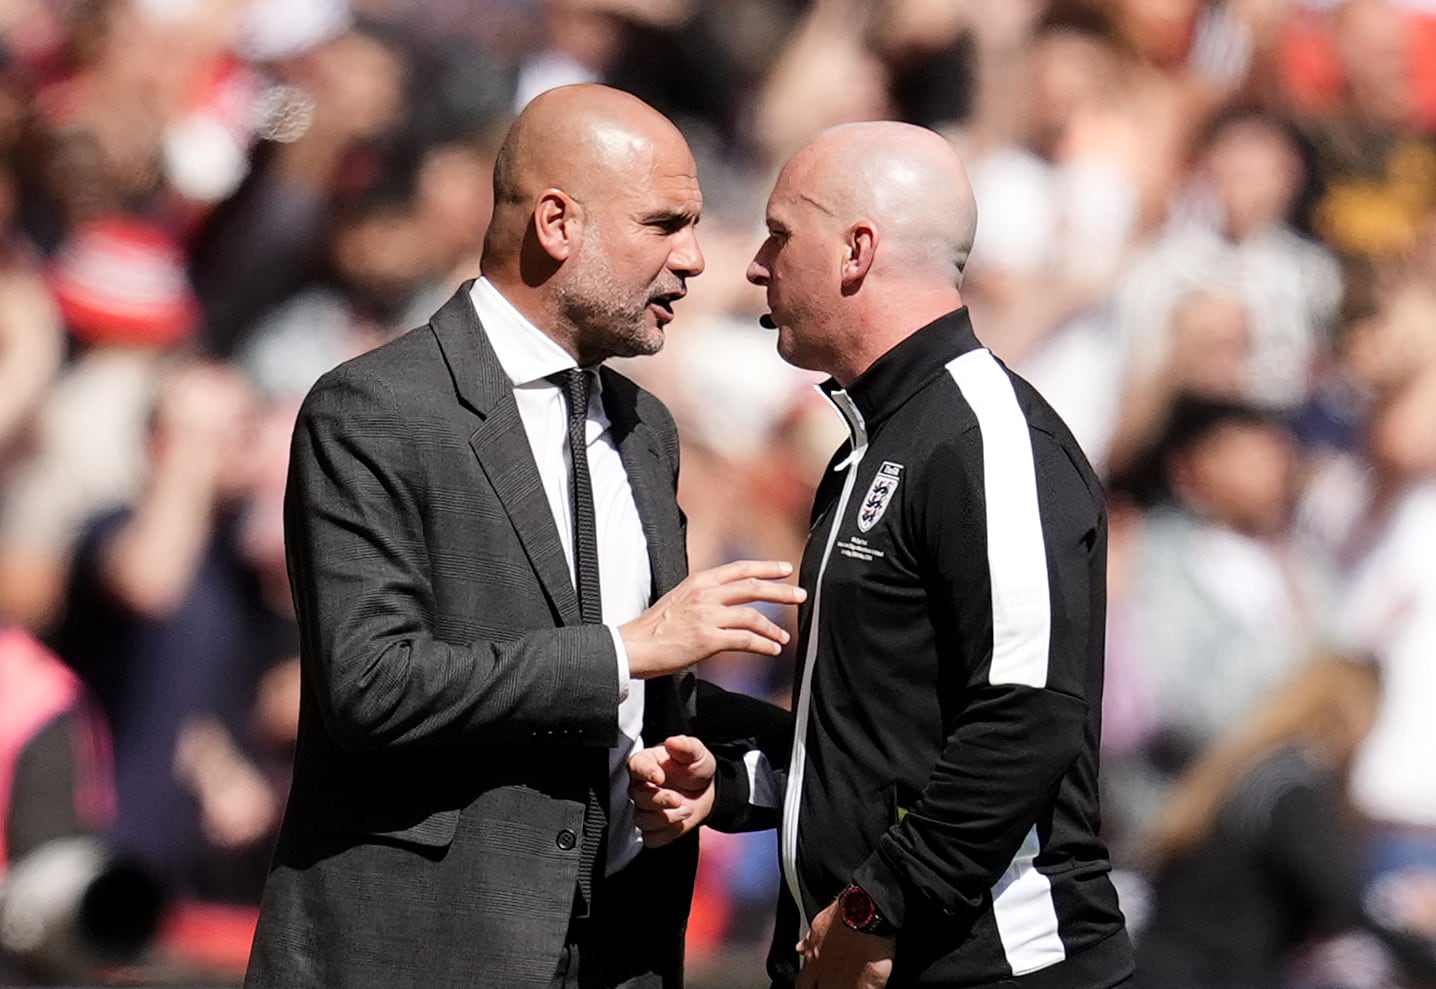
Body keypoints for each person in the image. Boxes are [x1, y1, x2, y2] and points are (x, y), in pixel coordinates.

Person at [244, 83, 806, 989]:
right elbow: (370, 684)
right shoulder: (375, 410)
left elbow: (631, 690)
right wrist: (628, 650)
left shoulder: (645, 427)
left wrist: (707, 762)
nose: (696, 259)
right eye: (666, 223)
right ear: (557, 223)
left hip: (620, 946)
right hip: (420, 953)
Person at [630, 122, 1133, 988]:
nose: (754, 264)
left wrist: (878, 905)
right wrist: (745, 784)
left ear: (857, 251)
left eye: (781, 234)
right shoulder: (873, 441)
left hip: (999, 967)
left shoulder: (987, 436)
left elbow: (1027, 716)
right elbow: (882, 736)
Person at [1136, 655, 1436, 989]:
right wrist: (1421, 955)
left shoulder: (1253, 768)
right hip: (1209, 974)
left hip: (1162, 961)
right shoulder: (1294, 790)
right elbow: (1343, 899)